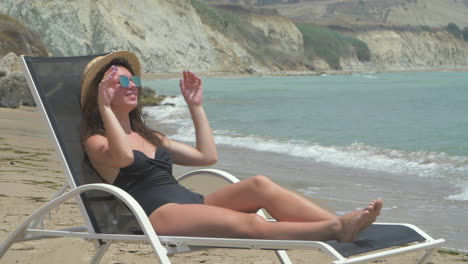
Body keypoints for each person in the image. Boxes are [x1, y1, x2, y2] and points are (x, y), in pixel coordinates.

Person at [80, 50, 382, 242]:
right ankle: (336, 230)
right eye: (120, 82)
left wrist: (195, 106)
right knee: (250, 223)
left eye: (132, 78)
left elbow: (207, 157)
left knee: (259, 185)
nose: (131, 84)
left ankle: (340, 224)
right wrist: (105, 109)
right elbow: (121, 158)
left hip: (194, 203)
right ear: (101, 92)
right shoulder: (97, 140)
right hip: (161, 214)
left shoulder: (150, 136)